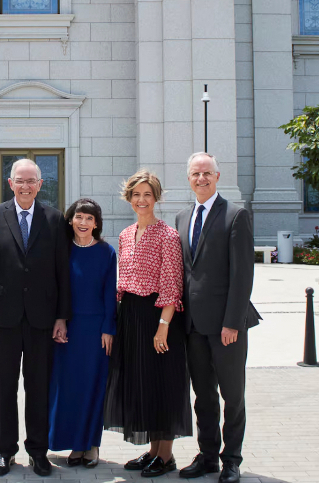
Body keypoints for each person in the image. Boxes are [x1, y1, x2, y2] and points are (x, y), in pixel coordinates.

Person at [0, 158, 71, 477]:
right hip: (2, 320)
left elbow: (62, 272)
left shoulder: (55, 219)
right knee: (4, 387)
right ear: (10, 183)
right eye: (20, 180)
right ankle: (5, 452)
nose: (26, 186)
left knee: (38, 388)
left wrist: (61, 317)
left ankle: (38, 451)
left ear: (40, 185)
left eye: (32, 181)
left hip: (42, 320)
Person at [175, 152, 260, 483]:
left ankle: (232, 460)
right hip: (193, 325)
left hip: (227, 326)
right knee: (204, 395)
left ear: (217, 176)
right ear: (189, 178)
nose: (201, 178)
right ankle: (208, 455)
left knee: (233, 396)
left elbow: (242, 276)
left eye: (207, 173)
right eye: (196, 173)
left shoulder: (236, 216)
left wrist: (232, 322)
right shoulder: (182, 218)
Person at [103, 169, 191, 478]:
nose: (142, 200)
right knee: (142, 384)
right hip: (130, 315)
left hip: (158, 317)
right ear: (129, 198)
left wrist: (163, 325)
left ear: (156, 198)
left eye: (148, 195)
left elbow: (171, 285)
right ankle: (153, 451)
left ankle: (166, 456)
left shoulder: (168, 235)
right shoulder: (126, 234)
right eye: (137, 195)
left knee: (162, 384)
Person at [48, 198, 117, 468]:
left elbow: (110, 294)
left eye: (89, 218)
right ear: (70, 220)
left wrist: (108, 329)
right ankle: (74, 445)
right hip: (66, 330)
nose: (84, 223)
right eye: (79, 217)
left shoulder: (106, 252)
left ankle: (91, 445)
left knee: (92, 387)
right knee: (68, 388)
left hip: (96, 331)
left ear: (97, 223)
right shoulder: (61, 250)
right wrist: (58, 320)